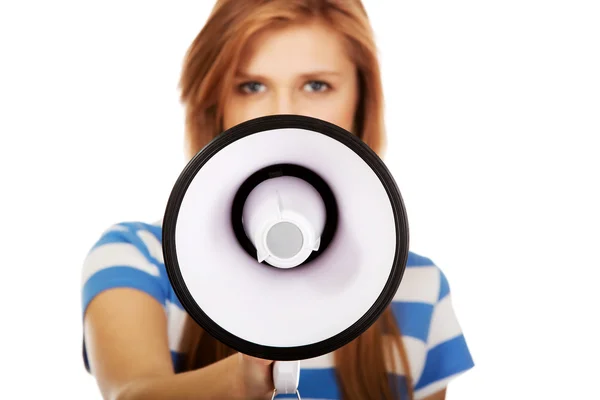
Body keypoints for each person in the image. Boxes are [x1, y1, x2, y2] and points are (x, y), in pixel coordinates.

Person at [80, 1, 475, 399]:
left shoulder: (418, 289)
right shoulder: (137, 258)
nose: (283, 112)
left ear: (361, 100)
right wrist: (243, 379)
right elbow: (132, 394)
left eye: (316, 85)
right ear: (217, 102)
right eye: (251, 86)